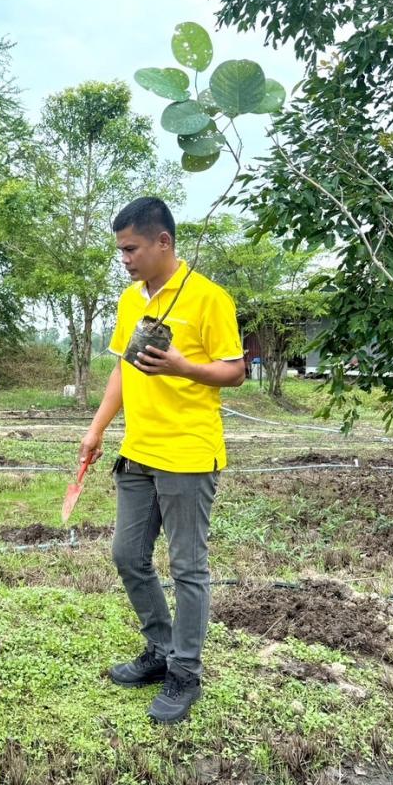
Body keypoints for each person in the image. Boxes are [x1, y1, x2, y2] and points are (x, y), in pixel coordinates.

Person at [78, 197, 246, 724]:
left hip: (188, 453)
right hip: (139, 451)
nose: (124, 258)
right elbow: (123, 371)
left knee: (188, 567)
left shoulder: (208, 297)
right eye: (121, 250)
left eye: (131, 249)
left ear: (162, 243)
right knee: (128, 556)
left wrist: (181, 367)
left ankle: (185, 673)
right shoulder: (132, 300)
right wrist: (97, 428)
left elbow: (235, 371)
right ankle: (161, 649)